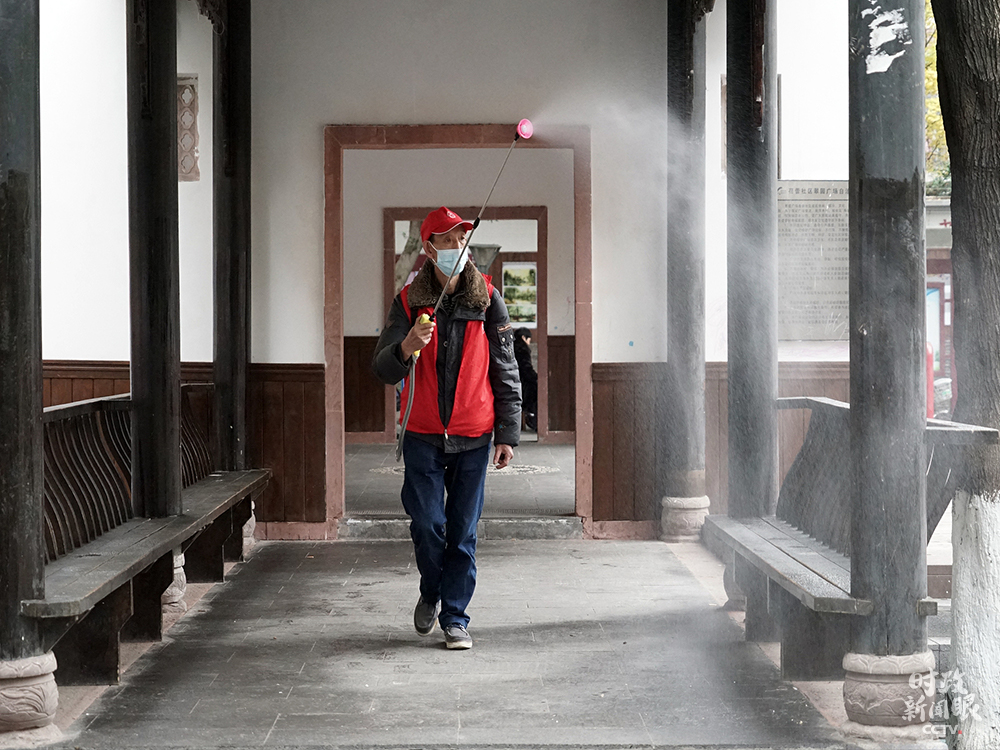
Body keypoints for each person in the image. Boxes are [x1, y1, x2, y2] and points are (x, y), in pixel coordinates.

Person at [372, 206, 521, 650]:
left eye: (462, 238)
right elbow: (382, 369)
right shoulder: (408, 301)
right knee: (427, 524)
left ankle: (455, 617)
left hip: (474, 434)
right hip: (421, 433)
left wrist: (507, 434)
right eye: (447, 239)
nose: (457, 246)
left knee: (463, 530)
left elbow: (506, 367)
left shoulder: (488, 298)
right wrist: (405, 347)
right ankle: (430, 590)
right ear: (429, 247)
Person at [513, 328, 538, 431]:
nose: (529, 343)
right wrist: (537, 377)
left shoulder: (510, 348)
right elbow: (526, 369)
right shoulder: (522, 350)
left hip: (512, 382)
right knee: (536, 389)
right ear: (523, 338)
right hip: (523, 385)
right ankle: (532, 416)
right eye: (529, 340)